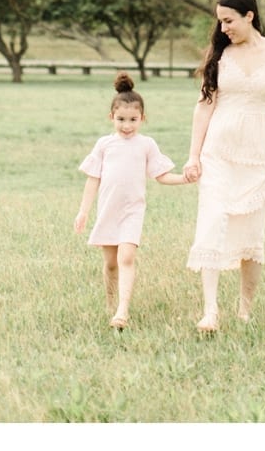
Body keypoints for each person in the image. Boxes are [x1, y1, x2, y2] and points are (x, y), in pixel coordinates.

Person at [182, 0, 265, 331]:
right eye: (220, 22)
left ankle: (245, 310)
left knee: (250, 234)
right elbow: (204, 106)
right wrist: (193, 156)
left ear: (249, 15)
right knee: (212, 223)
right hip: (218, 151)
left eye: (229, 21)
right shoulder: (220, 55)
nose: (223, 29)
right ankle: (211, 311)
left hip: (257, 153)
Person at [73, 72, 188, 330]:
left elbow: (161, 176)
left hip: (132, 212)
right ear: (111, 117)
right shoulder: (104, 145)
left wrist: (185, 179)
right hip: (108, 210)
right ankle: (110, 302)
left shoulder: (146, 144)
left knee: (126, 257)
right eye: (121, 119)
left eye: (133, 120)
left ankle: (123, 311)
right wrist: (83, 212)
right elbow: (93, 180)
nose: (127, 125)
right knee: (110, 264)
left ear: (142, 119)